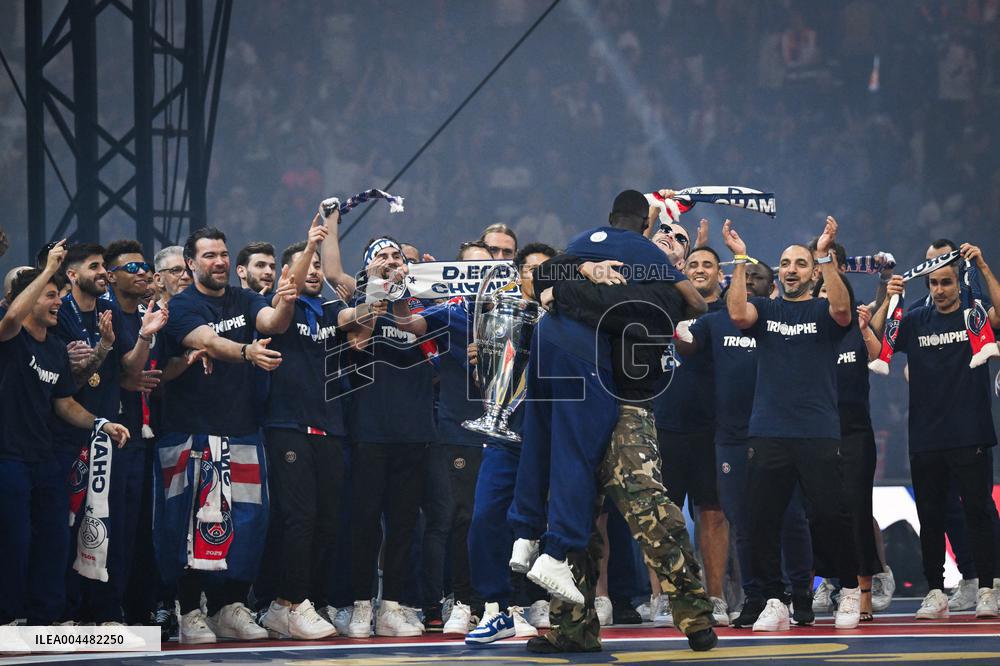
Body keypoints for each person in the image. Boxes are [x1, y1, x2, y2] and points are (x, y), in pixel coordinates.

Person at [513, 194, 716, 654]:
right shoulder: (597, 262)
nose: (666, 240)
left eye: (677, 240)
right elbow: (546, 277)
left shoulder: (668, 293)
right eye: (661, 233)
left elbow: (623, 309)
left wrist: (567, 292)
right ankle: (573, 630)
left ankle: (696, 615)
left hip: (629, 408)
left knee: (648, 507)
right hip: (584, 398)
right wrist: (579, 278)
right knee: (573, 512)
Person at [156, 227, 297, 644]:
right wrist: (246, 351)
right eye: (209, 256)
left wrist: (286, 302)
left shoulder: (244, 298)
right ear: (190, 263)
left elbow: (271, 322)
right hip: (191, 430)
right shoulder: (181, 306)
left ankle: (228, 606)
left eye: (222, 254)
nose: (218, 261)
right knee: (190, 523)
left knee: (248, 523)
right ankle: (188, 609)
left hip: (242, 430)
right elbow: (207, 340)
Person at [723, 216, 863, 631]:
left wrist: (825, 256)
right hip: (768, 430)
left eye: (800, 264)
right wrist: (740, 259)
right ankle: (774, 600)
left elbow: (843, 310)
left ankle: (849, 588)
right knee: (761, 521)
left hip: (817, 430)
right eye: (785, 263)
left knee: (830, 516)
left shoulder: (823, 310)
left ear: (813, 273)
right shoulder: (766, 309)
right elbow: (737, 314)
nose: (790, 270)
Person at [0, 246, 129, 639]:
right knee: (14, 539)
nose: (58, 302)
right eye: (50, 295)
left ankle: (45, 619)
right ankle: (8, 617)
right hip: (7, 456)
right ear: (28, 299)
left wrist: (101, 423)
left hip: (43, 456)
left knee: (54, 539)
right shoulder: (10, 339)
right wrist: (50, 269)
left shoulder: (55, 349)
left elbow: (65, 402)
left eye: (59, 295)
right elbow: (11, 318)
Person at [258, 219, 375, 640]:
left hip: (330, 427)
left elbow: (357, 314)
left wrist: (383, 289)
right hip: (287, 425)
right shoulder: (276, 306)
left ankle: (304, 601)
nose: (312, 271)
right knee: (299, 517)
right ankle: (286, 602)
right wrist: (310, 246)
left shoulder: (327, 310)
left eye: (316, 267)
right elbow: (279, 312)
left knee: (327, 521)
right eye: (304, 266)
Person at [880, 243, 999, 619]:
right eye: (933, 283)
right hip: (926, 436)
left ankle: (988, 588)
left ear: (958, 283)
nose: (940, 289)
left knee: (978, 512)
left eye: (946, 282)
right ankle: (935, 590)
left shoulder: (973, 314)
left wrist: (982, 266)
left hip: (970, 432)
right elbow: (878, 339)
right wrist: (887, 296)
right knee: (930, 516)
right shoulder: (915, 318)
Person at [343, 236, 444, 639]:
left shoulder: (420, 308)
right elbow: (359, 341)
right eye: (381, 256)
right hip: (370, 431)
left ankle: (392, 606)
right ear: (368, 265)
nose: (390, 261)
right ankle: (359, 604)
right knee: (365, 523)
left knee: (403, 525)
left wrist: (402, 290)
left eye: (396, 256)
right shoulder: (356, 306)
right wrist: (374, 289)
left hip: (413, 430)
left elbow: (411, 328)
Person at [462, 242, 557, 645]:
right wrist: (482, 358)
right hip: (505, 435)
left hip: (551, 436)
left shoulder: (567, 317)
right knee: (486, 518)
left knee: (544, 525)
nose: (540, 276)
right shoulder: (501, 313)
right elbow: (486, 377)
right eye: (532, 269)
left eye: (549, 269)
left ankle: (542, 605)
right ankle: (494, 607)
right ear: (519, 275)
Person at [653, 244, 731, 626]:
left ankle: (715, 597)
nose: (700, 269)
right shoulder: (665, 308)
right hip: (664, 424)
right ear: (683, 269)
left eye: (708, 264)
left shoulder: (729, 314)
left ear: (720, 273)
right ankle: (662, 597)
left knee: (713, 514)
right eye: (694, 263)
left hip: (712, 427)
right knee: (661, 517)